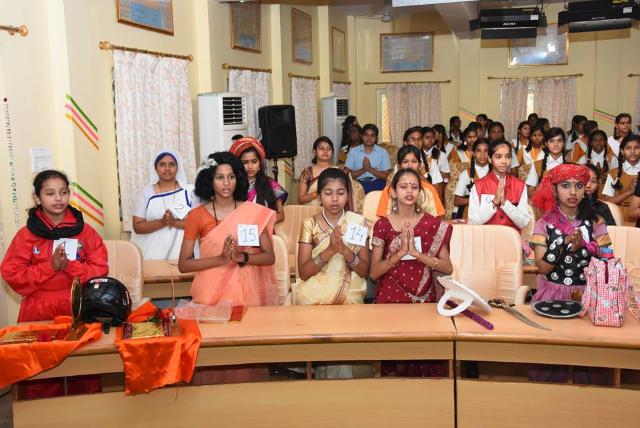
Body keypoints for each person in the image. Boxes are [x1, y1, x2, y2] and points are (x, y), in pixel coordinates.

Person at [1, 169, 108, 398]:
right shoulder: (27, 235)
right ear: (37, 198)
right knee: (39, 373)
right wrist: (49, 267)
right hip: (38, 311)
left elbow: (100, 269)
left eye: (63, 192)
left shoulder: (85, 232)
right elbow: (11, 273)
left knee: (82, 373)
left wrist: (70, 266)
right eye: (50, 193)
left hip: (76, 308)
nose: (58, 198)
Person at [529, 165, 611, 385]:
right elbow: (543, 268)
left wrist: (583, 247)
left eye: (579, 186)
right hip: (553, 295)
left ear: (586, 189)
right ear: (554, 190)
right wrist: (563, 244)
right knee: (551, 358)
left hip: (589, 296)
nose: (573, 192)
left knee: (588, 358)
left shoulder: (596, 222)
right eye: (565, 186)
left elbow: (608, 261)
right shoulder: (544, 223)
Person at [370, 168, 453, 377]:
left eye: (414, 187)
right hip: (391, 298)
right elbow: (373, 272)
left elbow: (447, 267)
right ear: (393, 192)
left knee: (424, 357)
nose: (409, 191)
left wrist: (416, 253)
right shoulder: (382, 225)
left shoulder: (432, 224)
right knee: (396, 360)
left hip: (424, 299)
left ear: (420, 192)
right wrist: (399, 254)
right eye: (403, 186)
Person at [178, 151, 279, 308]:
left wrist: (241, 257)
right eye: (220, 178)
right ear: (209, 181)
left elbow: (269, 257)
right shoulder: (196, 215)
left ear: (238, 179)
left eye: (231, 177)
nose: (226, 183)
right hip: (210, 295)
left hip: (248, 294)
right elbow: (184, 265)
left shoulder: (252, 212)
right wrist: (220, 259)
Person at [131, 150, 195, 260]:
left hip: (182, 256)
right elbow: (137, 226)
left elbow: (198, 224)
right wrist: (162, 222)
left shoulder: (190, 191)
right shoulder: (146, 193)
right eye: (162, 164)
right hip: (152, 256)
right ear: (155, 168)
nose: (167, 169)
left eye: (172, 164)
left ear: (178, 167)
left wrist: (174, 223)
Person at [468, 139, 531, 232]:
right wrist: (494, 203)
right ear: (490, 159)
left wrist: (506, 204)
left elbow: (524, 222)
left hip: (511, 240)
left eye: (508, 157)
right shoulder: (478, 186)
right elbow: (472, 222)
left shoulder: (520, 186)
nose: (504, 161)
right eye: (498, 157)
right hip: (485, 239)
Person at [229, 137, 287, 224]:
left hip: (264, 232)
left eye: (254, 161)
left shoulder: (270, 184)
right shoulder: (232, 185)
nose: (250, 166)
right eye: (245, 162)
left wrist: (260, 221)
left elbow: (281, 215)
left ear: (260, 163)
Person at [377, 145, 445, 218]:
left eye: (414, 161)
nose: (410, 166)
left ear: (420, 164)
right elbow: (384, 221)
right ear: (399, 165)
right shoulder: (389, 190)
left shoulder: (429, 190)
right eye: (405, 162)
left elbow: (436, 220)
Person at [602, 134, 640, 223]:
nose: (633, 151)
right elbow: (606, 202)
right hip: (618, 216)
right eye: (628, 148)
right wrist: (630, 191)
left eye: (637, 147)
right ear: (622, 151)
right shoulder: (613, 173)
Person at [344, 124, 391, 194]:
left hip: (377, 182)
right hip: (358, 184)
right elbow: (348, 176)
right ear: (362, 137)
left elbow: (387, 177)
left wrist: (370, 169)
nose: (369, 138)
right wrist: (364, 169)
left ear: (376, 138)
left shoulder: (383, 152)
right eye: (366, 135)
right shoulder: (353, 151)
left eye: (372, 135)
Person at [454, 139, 491, 220]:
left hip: (491, 211)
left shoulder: (495, 173)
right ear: (473, 153)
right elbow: (456, 201)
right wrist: (476, 199)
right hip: (470, 212)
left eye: (486, 151)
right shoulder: (466, 174)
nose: (482, 154)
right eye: (478, 151)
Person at [526, 127, 567, 197]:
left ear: (563, 143)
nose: (556, 144)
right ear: (546, 144)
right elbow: (530, 191)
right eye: (551, 141)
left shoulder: (571, 164)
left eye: (559, 141)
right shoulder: (537, 164)